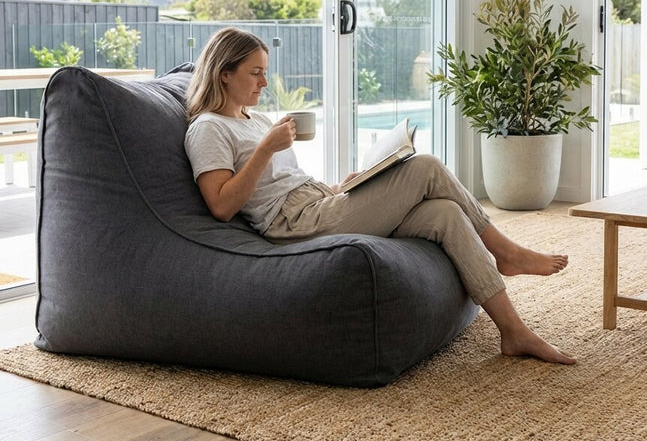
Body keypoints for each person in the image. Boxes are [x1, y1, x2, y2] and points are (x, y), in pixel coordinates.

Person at [184, 26, 575, 365]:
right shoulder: (208, 129)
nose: (264, 84)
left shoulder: (257, 120)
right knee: (426, 166)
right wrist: (267, 148)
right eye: (255, 74)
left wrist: (342, 187)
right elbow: (221, 205)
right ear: (224, 74)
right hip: (295, 225)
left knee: (444, 214)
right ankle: (506, 253)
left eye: (265, 73)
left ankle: (514, 332)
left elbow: (285, 179)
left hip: (319, 202)